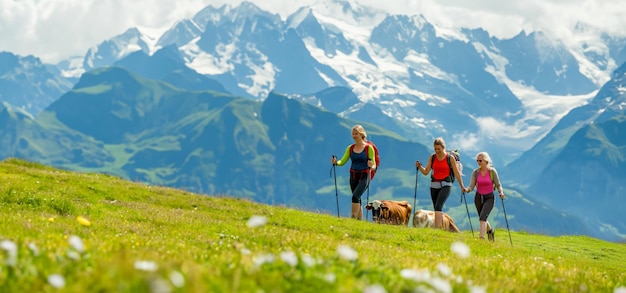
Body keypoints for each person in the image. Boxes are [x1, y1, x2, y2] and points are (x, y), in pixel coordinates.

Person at [415, 137, 465, 229]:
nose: (437, 151)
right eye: (435, 149)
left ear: (443, 147)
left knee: (438, 206)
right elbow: (426, 172)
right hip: (434, 185)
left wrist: (462, 186)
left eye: (439, 149)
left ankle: (436, 229)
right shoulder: (432, 157)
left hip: (446, 184)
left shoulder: (450, 158)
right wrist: (419, 166)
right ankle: (441, 226)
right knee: (436, 207)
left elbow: (457, 173)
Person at [331, 125, 376, 219]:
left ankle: (353, 217)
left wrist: (371, 165)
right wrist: (336, 162)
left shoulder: (369, 148)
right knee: (357, 198)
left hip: (365, 175)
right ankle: (359, 221)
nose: (354, 136)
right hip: (353, 175)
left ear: (361, 134)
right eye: (353, 134)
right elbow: (343, 161)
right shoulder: (350, 148)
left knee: (355, 196)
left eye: (356, 134)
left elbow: (374, 165)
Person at [464, 152, 505, 241]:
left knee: (482, 217)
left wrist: (501, 192)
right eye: (477, 160)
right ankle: (490, 231)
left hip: (489, 198)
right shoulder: (475, 172)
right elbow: (471, 186)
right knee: (483, 218)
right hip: (478, 197)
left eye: (480, 160)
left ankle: (481, 238)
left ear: (486, 161)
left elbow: (498, 184)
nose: (478, 162)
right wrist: (467, 190)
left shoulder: (492, 172)